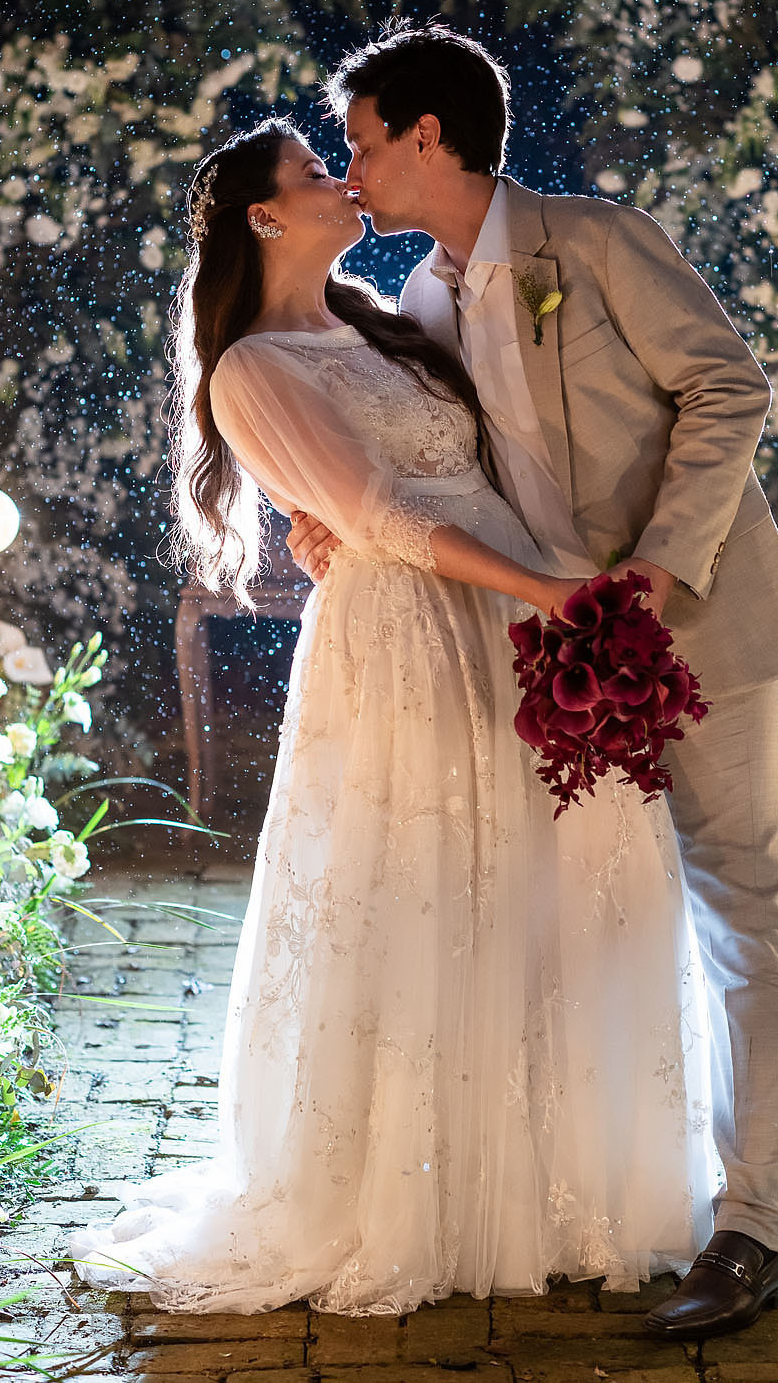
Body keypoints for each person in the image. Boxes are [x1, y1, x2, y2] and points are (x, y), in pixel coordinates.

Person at [69, 117, 718, 1314]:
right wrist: (542, 591)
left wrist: (542, 588)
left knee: (543, 874)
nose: (341, 180)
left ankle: (554, 1172)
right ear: (265, 215)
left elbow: (455, 465)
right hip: (418, 637)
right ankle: (416, 1190)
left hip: (510, 608)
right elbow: (373, 514)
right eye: (316, 175)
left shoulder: (381, 315)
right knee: (430, 878)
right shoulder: (251, 367)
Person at [287, 25, 778, 1341]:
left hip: (688, 627)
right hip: (551, 667)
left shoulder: (590, 242)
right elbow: (413, 472)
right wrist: (326, 527)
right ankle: (582, 1189)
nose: (349, 169)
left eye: (359, 141)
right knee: (592, 916)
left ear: (429, 137)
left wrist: (650, 570)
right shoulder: (419, 303)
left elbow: (725, 387)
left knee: (736, 907)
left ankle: (752, 1223)